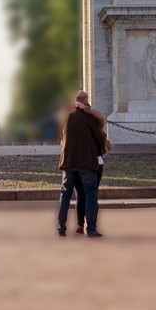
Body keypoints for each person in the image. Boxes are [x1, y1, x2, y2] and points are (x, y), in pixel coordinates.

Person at [56, 91, 109, 239]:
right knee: (90, 193)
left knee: (65, 194)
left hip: (68, 161)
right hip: (86, 163)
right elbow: (100, 138)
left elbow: (61, 136)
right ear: (86, 103)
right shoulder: (89, 118)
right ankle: (90, 228)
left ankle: (61, 227)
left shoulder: (66, 117)